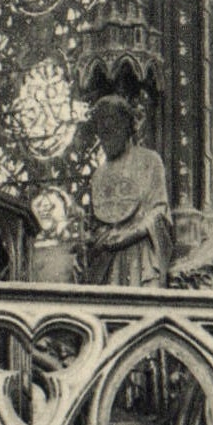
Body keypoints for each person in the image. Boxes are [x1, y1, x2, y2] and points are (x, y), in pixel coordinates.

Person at [85, 95, 171, 287]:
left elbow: (159, 212)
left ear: (128, 126)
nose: (106, 131)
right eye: (102, 129)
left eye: (112, 124)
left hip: (140, 254)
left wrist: (130, 234)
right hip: (106, 259)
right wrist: (93, 240)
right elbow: (96, 223)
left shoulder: (150, 161)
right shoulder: (99, 174)